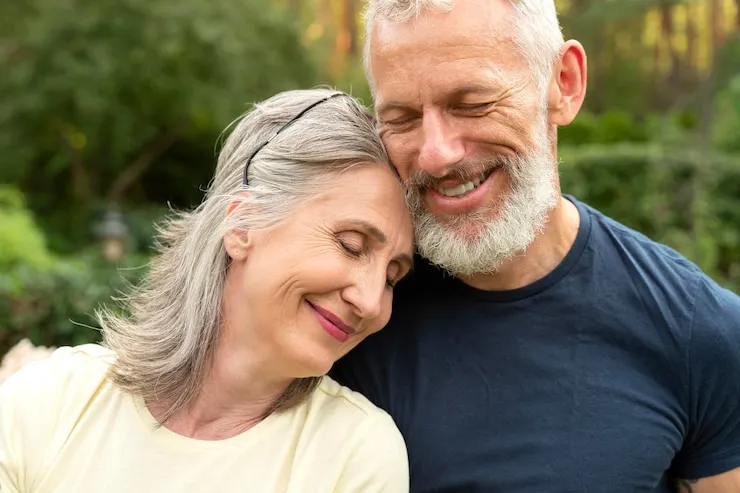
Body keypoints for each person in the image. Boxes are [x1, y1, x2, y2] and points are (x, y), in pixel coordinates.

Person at [330, 1, 740, 492]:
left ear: (564, 82)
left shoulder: (700, 332)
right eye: (401, 118)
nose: (436, 154)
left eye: (472, 103)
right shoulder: (340, 312)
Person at [0, 89, 414, 493]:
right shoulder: (49, 404)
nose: (370, 300)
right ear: (243, 223)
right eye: (351, 245)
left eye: (393, 277)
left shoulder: (355, 456)